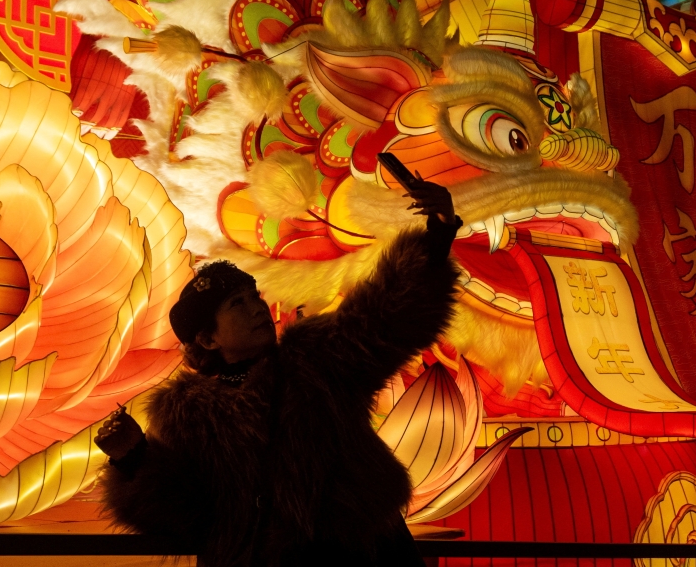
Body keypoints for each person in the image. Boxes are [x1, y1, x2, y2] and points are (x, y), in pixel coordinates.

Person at [94, 179, 461, 566]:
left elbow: (384, 318)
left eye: (254, 296)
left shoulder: (317, 357)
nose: (256, 308)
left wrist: (437, 235)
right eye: (237, 303)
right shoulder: (186, 415)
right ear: (207, 339)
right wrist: (133, 458)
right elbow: (189, 512)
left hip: (358, 552)